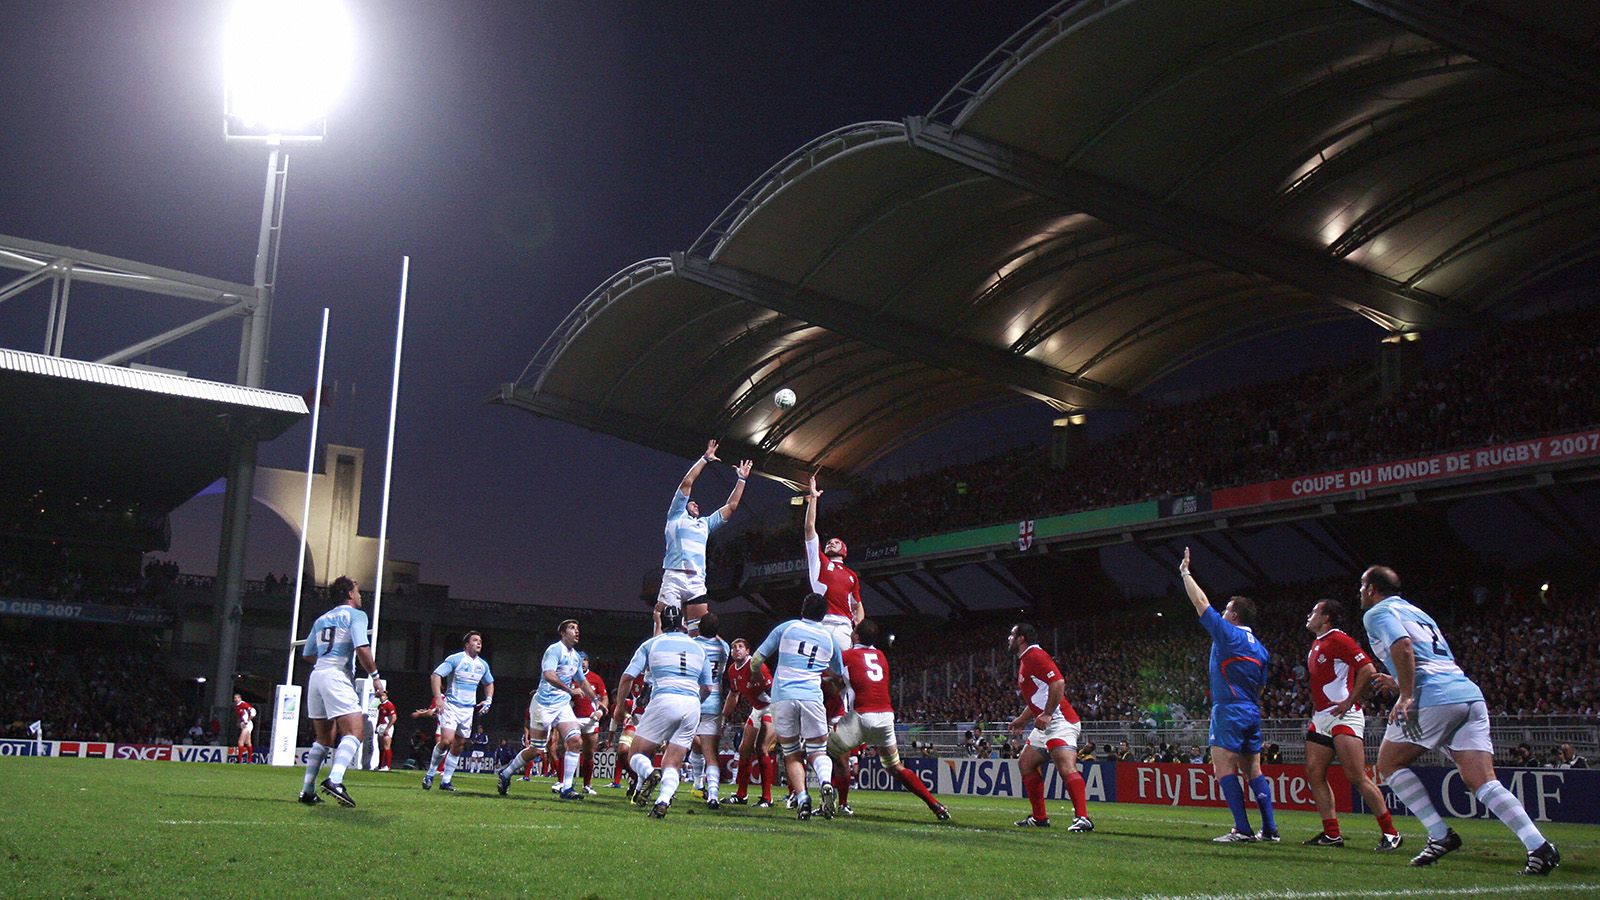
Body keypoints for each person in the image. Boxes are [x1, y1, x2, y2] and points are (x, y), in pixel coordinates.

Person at [1359, 565, 1560, 875]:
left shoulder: (1376, 613)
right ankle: (1540, 848)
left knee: (1388, 765)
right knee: (1482, 780)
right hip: (1466, 695)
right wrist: (1399, 682)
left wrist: (1406, 694)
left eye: (1362, 586)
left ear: (1372, 588)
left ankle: (1440, 835)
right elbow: (1432, 659)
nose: (1360, 593)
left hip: (1434, 699)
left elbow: (1403, 645)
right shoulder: (1418, 612)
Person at [1178, 548, 1277, 843]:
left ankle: (1242, 829)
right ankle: (1270, 830)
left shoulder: (1228, 634)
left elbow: (1200, 602)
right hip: (1251, 710)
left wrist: (1185, 572)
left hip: (1229, 709)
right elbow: (1261, 688)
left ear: (1233, 615)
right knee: (1253, 769)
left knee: (1223, 767)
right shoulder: (1260, 647)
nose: (1221, 612)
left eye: (1226, 610)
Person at [1299, 598, 1400, 850]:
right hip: (1322, 716)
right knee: (1314, 772)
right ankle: (1332, 834)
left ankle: (1391, 834)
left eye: (1314, 611)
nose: (1309, 615)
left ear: (1326, 618)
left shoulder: (1339, 639)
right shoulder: (1318, 643)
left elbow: (1367, 668)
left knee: (1356, 776)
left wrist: (1349, 701)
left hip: (1344, 716)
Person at [827, 619, 948, 820]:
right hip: (886, 718)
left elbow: (834, 680)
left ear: (855, 636)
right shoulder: (881, 656)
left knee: (823, 751)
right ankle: (936, 806)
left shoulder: (847, 655)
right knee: (895, 767)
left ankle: (837, 804)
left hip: (862, 717)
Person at [610, 605, 713, 818]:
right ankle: (662, 801)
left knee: (635, 754)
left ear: (663, 624)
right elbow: (708, 687)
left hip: (665, 698)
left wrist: (620, 707)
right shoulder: (699, 648)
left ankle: (649, 774)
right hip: (692, 703)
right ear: (682, 624)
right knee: (673, 762)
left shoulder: (651, 644)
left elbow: (628, 676)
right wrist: (695, 702)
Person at [752, 592, 846, 820]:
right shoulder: (829, 639)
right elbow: (840, 673)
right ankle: (825, 782)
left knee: (792, 753)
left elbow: (756, 660)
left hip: (783, 696)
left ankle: (803, 799)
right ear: (824, 615)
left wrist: (756, 677)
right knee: (817, 750)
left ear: (803, 608)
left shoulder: (786, 628)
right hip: (812, 697)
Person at [297, 577, 381, 807]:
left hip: (317, 675)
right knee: (355, 731)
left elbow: (307, 654)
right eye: (358, 591)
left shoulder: (322, 619)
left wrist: (327, 662)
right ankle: (335, 780)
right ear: (350, 595)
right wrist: (375, 677)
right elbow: (361, 647)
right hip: (335, 675)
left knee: (324, 738)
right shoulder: (356, 615)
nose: (361, 595)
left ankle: (307, 790)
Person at [656, 439, 752, 635]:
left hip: (697, 581)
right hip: (675, 576)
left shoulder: (705, 524)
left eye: (698, 504)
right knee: (663, 619)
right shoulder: (676, 515)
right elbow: (687, 483)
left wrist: (741, 479)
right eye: (692, 503)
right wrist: (705, 459)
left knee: (699, 631)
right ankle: (655, 661)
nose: (696, 504)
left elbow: (731, 506)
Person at [1006, 623, 1092, 831]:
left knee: (1065, 767)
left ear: (1021, 639)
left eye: (1012, 634)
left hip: (1060, 721)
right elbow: (1040, 695)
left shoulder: (1035, 655)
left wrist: (1047, 713)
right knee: (1025, 763)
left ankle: (1083, 818)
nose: (1009, 638)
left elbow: (1058, 683)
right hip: (1046, 724)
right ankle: (1040, 818)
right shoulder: (1026, 659)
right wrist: (1023, 718)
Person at [497, 619, 595, 800]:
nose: (576, 631)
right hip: (544, 704)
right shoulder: (554, 650)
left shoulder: (576, 657)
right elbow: (549, 675)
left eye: (578, 628)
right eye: (572, 628)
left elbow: (582, 681)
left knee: (575, 741)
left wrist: (596, 699)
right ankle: (506, 773)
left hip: (562, 705)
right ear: (563, 633)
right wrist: (570, 690)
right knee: (537, 750)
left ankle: (566, 788)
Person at [423, 631, 495, 792]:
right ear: (466, 644)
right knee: (446, 741)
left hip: (468, 709)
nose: (478, 643)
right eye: (475, 640)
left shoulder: (483, 665)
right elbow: (436, 675)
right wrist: (438, 698)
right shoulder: (455, 659)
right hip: (451, 706)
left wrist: (488, 700)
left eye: (480, 641)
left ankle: (446, 781)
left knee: (459, 745)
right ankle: (430, 774)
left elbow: (489, 683)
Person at [802, 474, 864, 653]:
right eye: (829, 542)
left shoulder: (852, 575)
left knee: (842, 674)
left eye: (836, 542)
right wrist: (813, 498)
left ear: (844, 549)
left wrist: (858, 627)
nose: (830, 543)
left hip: (845, 628)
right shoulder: (819, 561)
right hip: (822, 623)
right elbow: (809, 528)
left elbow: (857, 605)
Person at [721, 638, 778, 807]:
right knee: (744, 749)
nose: (736, 650)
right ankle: (741, 795)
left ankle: (767, 798)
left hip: (772, 708)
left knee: (761, 748)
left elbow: (772, 690)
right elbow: (733, 694)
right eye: (733, 647)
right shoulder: (732, 670)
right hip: (757, 710)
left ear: (747, 651)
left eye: (740, 647)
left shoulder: (756, 665)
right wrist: (723, 716)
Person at [683, 612, 730, 808]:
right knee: (710, 752)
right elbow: (717, 638)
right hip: (715, 701)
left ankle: (667, 790)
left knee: (681, 741)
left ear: (700, 628)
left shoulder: (693, 645)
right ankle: (711, 794)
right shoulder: (725, 648)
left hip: (694, 697)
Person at [567, 653, 609, 795]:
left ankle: (587, 785)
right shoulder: (569, 677)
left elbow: (605, 698)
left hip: (591, 720)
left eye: (585, 659)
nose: (583, 662)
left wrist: (600, 712)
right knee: (569, 749)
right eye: (580, 660)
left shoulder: (596, 678)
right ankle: (563, 783)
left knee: (589, 754)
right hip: (573, 718)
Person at [374, 689, 397, 771]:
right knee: (380, 746)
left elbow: (394, 717)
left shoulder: (389, 705)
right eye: (381, 695)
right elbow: (380, 717)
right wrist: (377, 726)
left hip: (386, 726)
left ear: (387, 696)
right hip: (381, 726)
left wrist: (388, 728)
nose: (382, 697)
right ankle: (380, 765)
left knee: (386, 746)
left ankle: (387, 765)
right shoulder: (380, 705)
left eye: (383, 695)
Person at [232, 693, 255, 764]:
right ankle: (250, 760)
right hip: (243, 724)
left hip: (247, 724)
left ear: (240, 698)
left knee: (240, 741)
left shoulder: (243, 704)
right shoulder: (236, 706)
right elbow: (240, 716)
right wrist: (238, 722)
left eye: (237, 698)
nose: (235, 699)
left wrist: (248, 720)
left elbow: (253, 711)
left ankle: (239, 759)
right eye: (234, 698)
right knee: (248, 742)